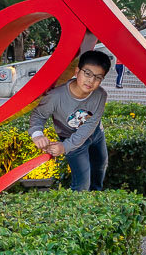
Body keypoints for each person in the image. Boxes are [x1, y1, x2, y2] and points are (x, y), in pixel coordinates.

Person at [28, 50, 110, 191]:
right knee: (82, 185)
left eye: (98, 77)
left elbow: (90, 124)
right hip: (70, 138)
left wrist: (65, 147)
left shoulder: (101, 95)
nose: (91, 80)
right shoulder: (56, 97)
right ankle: (78, 211)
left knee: (100, 168)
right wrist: (37, 135)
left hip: (95, 134)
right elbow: (38, 115)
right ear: (77, 72)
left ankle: (96, 204)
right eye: (87, 73)